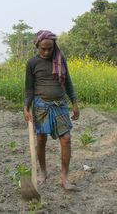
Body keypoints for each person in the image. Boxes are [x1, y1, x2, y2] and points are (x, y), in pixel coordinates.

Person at [23, 30, 80, 190]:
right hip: (40, 105)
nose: (47, 52)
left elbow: (67, 82)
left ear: (54, 46)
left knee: (66, 138)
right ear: (37, 47)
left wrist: (74, 102)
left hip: (60, 105)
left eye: (49, 48)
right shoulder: (32, 63)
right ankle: (43, 172)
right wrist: (26, 107)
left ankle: (64, 178)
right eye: (43, 49)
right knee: (41, 139)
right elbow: (29, 89)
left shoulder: (60, 59)